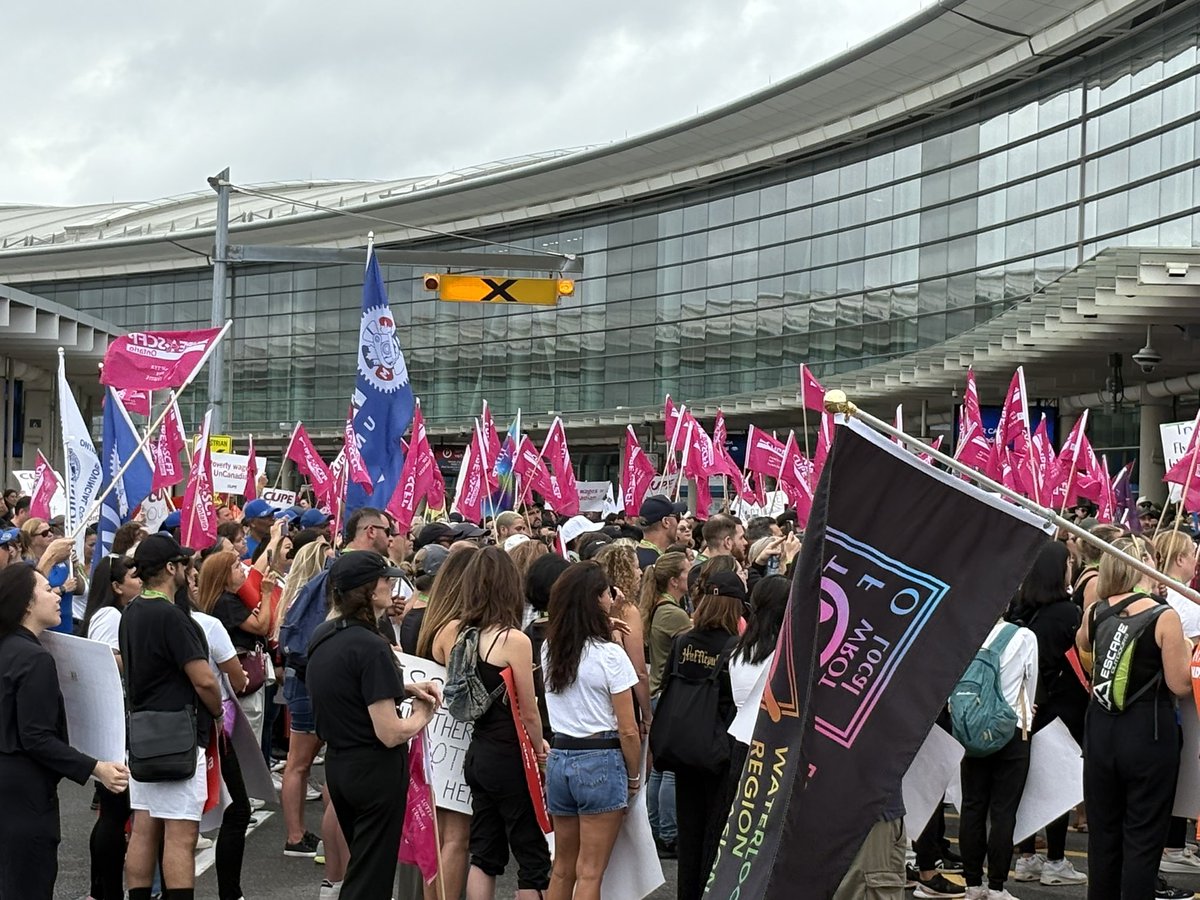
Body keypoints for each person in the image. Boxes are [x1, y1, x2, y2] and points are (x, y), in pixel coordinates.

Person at [306, 551, 439, 900]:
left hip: (339, 764)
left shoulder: (324, 634)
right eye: (383, 580)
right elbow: (390, 731)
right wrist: (421, 716)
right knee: (370, 879)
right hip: (374, 769)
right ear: (366, 591)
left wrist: (403, 687)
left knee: (363, 868)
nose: (390, 585)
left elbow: (345, 686)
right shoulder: (371, 646)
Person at [0, 564, 129, 898]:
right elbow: (37, 737)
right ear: (26, 604)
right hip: (25, 796)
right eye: (47, 589)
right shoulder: (35, 659)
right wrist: (95, 767)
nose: (57, 595)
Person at [1077, 534, 1192, 899]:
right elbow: (1179, 684)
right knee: (1143, 837)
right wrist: (1188, 649)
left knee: (1103, 834)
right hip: (1148, 732)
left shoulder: (1095, 610)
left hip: (1100, 729)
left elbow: (1084, 649)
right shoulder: (1164, 615)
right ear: (1145, 565)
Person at [433, 547, 551, 899]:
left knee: (485, 853)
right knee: (532, 857)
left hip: (477, 753)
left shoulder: (457, 635)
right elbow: (528, 710)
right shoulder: (514, 640)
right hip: (511, 755)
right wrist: (540, 746)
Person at [120, 533, 224, 900]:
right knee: (181, 836)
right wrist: (217, 710)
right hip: (178, 735)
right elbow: (204, 679)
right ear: (170, 568)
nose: (188, 569)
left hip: (142, 733)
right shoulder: (172, 617)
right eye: (184, 564)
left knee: (145, 827)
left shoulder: (131, 612)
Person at [542, 561, 641, 900]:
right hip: (601, 758)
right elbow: (629, 730)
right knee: (591, 872)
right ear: (596, 599)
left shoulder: (549, 649)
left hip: (560, 757)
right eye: (608, 593)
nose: (613, 598)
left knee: (563, 867)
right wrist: (633, 776)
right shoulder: (610, 656)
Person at [658, 568, 742, 900]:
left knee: (689, 832)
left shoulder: (682, 641)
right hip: (718, 749)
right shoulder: (734, 647)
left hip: (683, 747)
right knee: (715, 834)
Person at [1008, 541, 1089, 888]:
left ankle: (1027, 856)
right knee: (1058, 782)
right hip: (1063, 706)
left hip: (1025, 705)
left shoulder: (1017, 610)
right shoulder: (1068, 613)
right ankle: (1055, 859)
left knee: (1027, 781)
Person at [184, 553, 253, 900]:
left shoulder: (139, 619)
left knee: (171, 821)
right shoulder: (208, 625)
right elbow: (231, 680)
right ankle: (231, 893)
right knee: (236, 809)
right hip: (209, 727)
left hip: (160, 726)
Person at [416, 544, 481, 900]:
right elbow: (468, 686)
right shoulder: (456, 628)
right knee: (456, 838)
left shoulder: (434, 619)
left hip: (438, 739)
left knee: (443, 837)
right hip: (453, 742)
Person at [959, 615, 1038, 900]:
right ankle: (996, 886)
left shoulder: (967, 631)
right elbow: (1030, 686)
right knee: (1004, 812)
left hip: (972, 728)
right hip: (1010, 729)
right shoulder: (1024, 636)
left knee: (972, 806)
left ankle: (971, 884)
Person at [82, 555, 142, 900]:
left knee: (112, 812)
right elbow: (104, 660)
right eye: (134, 576)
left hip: (113, 720)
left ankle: (100, 888)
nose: (140, 580)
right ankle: (105, 890)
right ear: (117, 587)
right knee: (114, 813)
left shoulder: (116, 613)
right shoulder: (110, 615)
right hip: (113, 722)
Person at [1151, 529, 1200, 878]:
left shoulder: (1156, 595)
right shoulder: (1188, 603)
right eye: (1193, 553)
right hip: (1181, 704)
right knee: (1181, 776)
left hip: (1155, 707)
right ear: (1181, 559)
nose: (1196, 560)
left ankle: (1173, 845)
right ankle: (1173, 846)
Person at [638, 550, 691, 859]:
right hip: (667, 694)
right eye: (686, 571)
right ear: (674, 580)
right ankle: (668, 833)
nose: (691, 575)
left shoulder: (662, 607)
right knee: (669, 770)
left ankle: (657, 827)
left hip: (658, 692)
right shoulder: (674, 614)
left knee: (659, 768)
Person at [594, 542, 653, 730]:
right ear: (624, 572)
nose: (640, 572)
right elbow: (639, 671)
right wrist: (647, 713)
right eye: (635, 567)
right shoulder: (628, 611)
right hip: (625, 698)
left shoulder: (591, 609)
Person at [635, 495, 687, 569]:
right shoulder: (659, 566)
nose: (679, 522)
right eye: (677, 517)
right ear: (666, 522)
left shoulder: (633, 557)